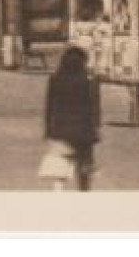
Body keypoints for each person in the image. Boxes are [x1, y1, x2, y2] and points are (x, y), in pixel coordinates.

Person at [41, 45, 101, 191]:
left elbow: (49, 107)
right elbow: (95, 108)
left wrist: (48, 129)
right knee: (84, 166)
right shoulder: (89, 81)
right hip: (84, 131)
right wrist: (95, 128)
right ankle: (84, 192)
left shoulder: (55, 80)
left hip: (60, 129)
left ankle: (58, 193)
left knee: (59, 165)